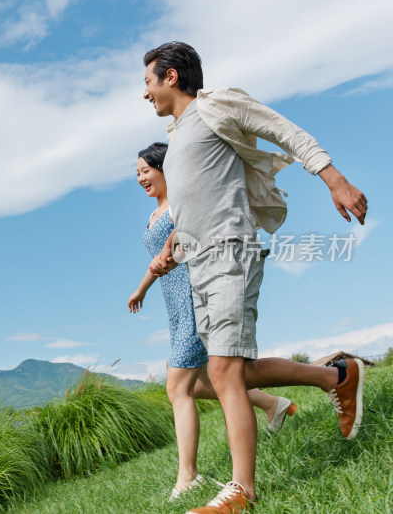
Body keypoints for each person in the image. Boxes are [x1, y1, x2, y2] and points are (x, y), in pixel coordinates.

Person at [141, 42, 368, 513]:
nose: (144, 94)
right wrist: (170, 250)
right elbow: (195, 206)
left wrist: (335, 179)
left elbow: (282, 129)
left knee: (223, 372)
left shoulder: (215, 107)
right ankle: (337, 377)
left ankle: (241, 490)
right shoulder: (179, 136)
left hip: (230, 251)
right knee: (234, 373)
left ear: (172, 77)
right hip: (199, 262)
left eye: (147, 82)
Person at [127, 142, 297, 502]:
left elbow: (186, 238)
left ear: (165, 168)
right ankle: (273, 404)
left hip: (194, 294)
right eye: (138, 172)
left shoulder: (181, 204)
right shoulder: (156, 213)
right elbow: (157, 261)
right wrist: (140, 290)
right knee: (207, 383)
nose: (141, 177)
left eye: (146, 170)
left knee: (178, 388)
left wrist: (171, 252)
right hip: (174, 303)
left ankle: (188, 475)